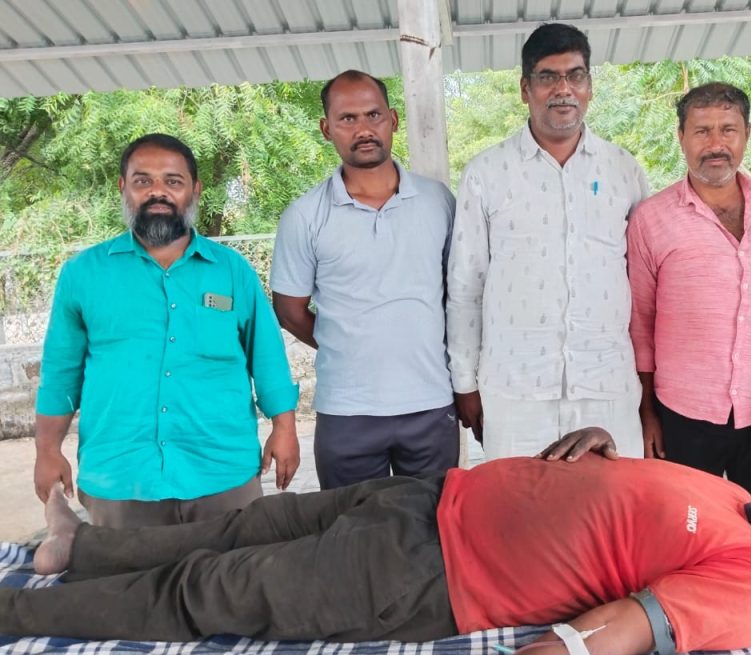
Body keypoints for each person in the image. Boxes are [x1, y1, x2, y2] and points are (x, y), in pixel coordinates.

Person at [4, 427, 751, 655]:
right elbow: (628, 509)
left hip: (424, 570)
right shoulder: (736, 496)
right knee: (238, 527)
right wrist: (602, 447)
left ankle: (15, 613)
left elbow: (609, 634)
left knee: (209, 590)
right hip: (428, 496)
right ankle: (72, 551)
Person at [33, 134, 299, 528]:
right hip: (121, 479)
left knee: (233, 568)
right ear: (123, 187)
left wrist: (285, 428)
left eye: (173, 181)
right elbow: (60, 373)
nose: (158, 192)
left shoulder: (232, 271)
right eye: (143, 181)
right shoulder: (83, 274)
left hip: (222, 473)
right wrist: (47, 450)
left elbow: (267, 357)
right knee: (125, 571)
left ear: (195, 189)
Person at [446, 23, 649, 459]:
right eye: (548, 77)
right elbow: (466, 285)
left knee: (614, 500)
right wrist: (465, 382)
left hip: (607, 387)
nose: (563, 89)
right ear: (525, 89)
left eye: (575, 75)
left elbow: (642, 281)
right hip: (515, 392)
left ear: (589, 86)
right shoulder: (486, 173)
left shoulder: (624, 171)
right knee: (520, 502)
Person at [271, 71, 458, 489]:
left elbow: (457, 295)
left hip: (430, 403)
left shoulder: (438, 201)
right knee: (352, 524)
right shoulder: (305, 216)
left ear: (393, 119)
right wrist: (345, 342)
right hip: (347, 410)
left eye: (373, 115)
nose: (363, 129)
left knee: (432, 521)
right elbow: (289, 310)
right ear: (326, 129)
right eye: (347, 118)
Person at [627, 83, 751, 503]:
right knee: (685, 529)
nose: (716, 144)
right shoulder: (651, 219)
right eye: (702, 131)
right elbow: (640, 325)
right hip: (682, 415)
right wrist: (646, 413)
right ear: (681, 137)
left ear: (747, 134)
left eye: (728, 130)